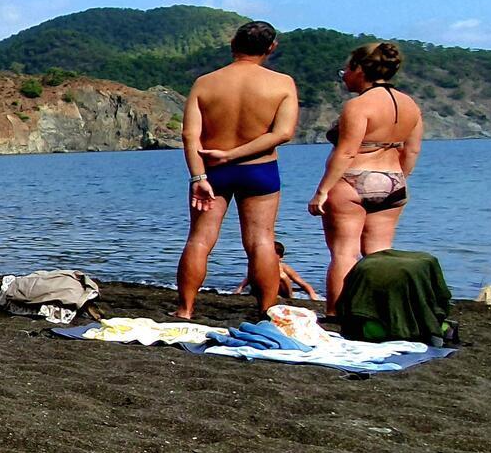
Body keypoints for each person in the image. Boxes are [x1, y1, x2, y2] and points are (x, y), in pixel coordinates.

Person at [174, 20, 299, 320]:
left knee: (200, 238)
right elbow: (282, 134)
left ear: (233, 44)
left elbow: (190, 135)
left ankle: (185, 309)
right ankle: (267, 310)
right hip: (259, 169)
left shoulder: (205, 83)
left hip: (212, 171)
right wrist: (234, 154)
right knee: (261, 240)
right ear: (272, 48)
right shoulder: (282, 83)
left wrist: (198, 176)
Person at [310, 41, 423, 312]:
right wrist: (399, 178)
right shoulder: (411, 106)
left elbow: (347, 152)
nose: (344, 76)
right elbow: (412, 149)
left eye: (345, 71)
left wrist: (322, 190)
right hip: (393, 181)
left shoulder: (358, 106)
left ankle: (337, 313)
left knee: (344, 252)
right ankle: (378, 311)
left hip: (353, 181)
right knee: (380, 255)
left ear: (359, 69)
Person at [233, 239, 320, 306]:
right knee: (256, 275)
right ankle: (259, 293)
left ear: (280, 258)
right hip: (261, 290)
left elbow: (303, 284)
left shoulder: (284, 267)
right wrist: (239, 289)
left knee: (282, 276)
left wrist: (312, 294)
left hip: (282, 293)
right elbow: (248, 278)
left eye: (273, 256)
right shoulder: (261, 266)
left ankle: (286, 296)